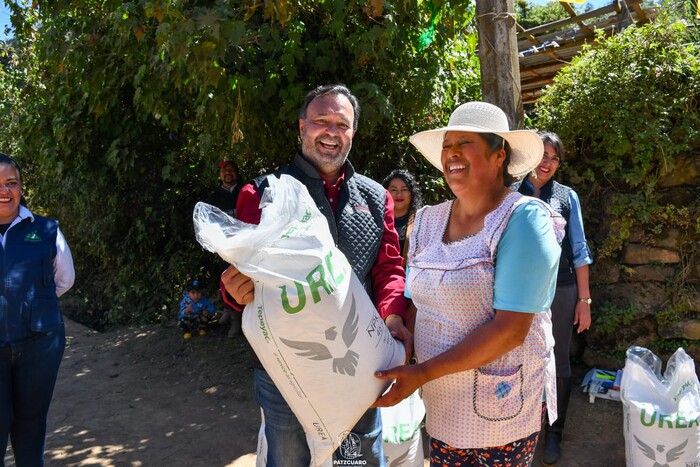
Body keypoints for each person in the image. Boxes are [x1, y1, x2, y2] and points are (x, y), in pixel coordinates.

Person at [221, 84, 412, 467]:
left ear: (353, 133)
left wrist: (392, 315)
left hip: (357, 364)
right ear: (301, 127)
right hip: (284, 372)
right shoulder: (261, 195)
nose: (331, 131)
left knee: (355, 462)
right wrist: (233, 293)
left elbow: (389, 266)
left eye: (342, 124)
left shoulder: (376, 198)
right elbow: (239, 278)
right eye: (321, 121)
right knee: (289, 459)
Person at [372, 101, 564, 467]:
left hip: (499, 410)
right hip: (442, 402)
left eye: (466, 143)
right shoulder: (427, 221)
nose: (452, 154)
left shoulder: (523, 221)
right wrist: (405, 340)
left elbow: (510, 331)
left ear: (498, 156)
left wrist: (422, 372)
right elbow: (416, 300)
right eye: (447, 145)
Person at [511, 131, 593, 466]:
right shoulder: (511, 193)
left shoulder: (566, 197)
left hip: (561, 291)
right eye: (542, 155)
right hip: (517, 293)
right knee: (516, 360)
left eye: (554, 158)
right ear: (530, 156)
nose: (546, 163)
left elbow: (580, 251)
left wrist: (584, 301)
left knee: (558, 363)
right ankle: (519, 429)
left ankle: (553, 434)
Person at [0, 153, 75, 466]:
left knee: (31, 428)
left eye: (11, 183)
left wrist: (31, 302)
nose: (5, 191)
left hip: (40, 346)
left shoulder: (45, 230)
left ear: (21, 187)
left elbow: (64, 280)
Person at [204, 159, 243, 337]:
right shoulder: (214, 197)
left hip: (244, 243)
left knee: (243, 277)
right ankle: (231, 311)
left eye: (231, 170)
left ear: (237, 172)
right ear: (220, 175)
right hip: (224, 246)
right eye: (224, 171)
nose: (228, 173)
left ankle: (241, 318)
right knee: (225, 278)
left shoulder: (245, 191)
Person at [381, 169, 424, 266]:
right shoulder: (378, 219)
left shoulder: (422, 221)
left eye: (404, 189)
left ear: (411, 193)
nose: (399, 194)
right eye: (393, 190)